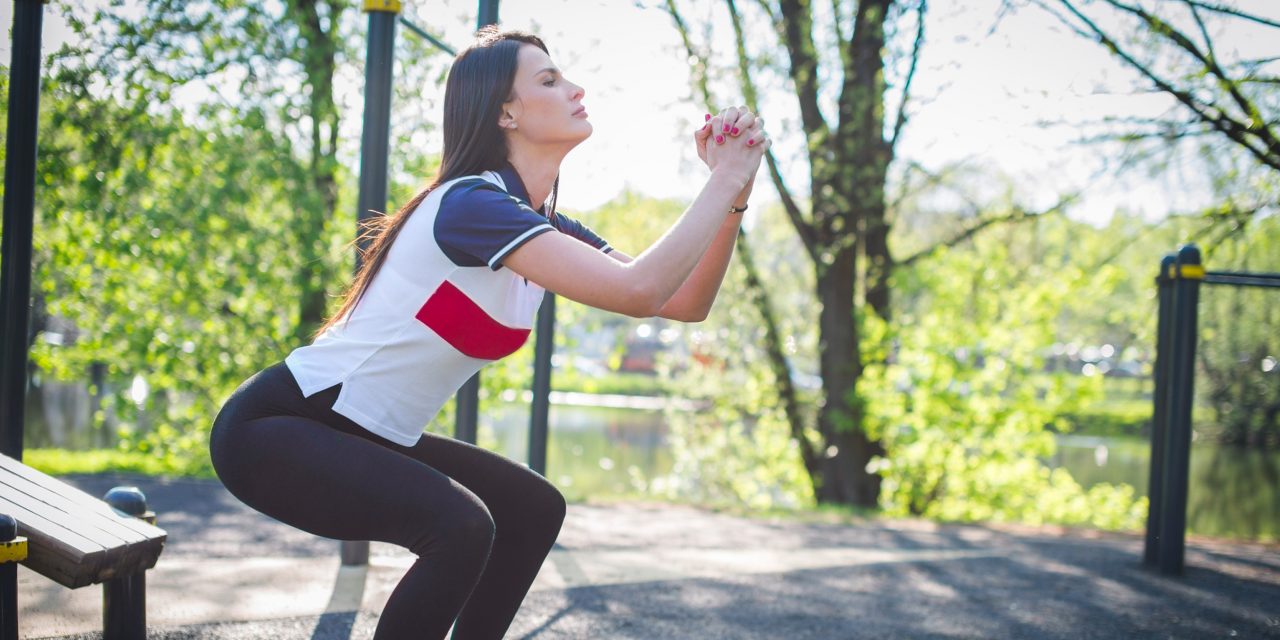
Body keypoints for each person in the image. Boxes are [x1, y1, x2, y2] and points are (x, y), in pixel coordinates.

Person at [209, 26, 770, 640]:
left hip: (368, 434)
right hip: (282, 427)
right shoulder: (471, 206)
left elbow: (681, 301)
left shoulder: (540, 224)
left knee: (530, 509)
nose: (575, 88)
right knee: (461, 525)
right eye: (549, 80)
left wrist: (734, 195)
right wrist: (720, 179)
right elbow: (638, 292)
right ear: (506, 110)